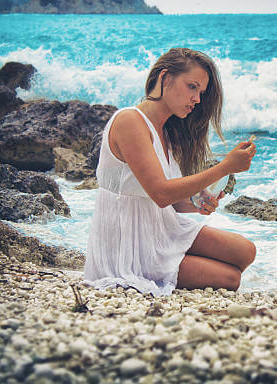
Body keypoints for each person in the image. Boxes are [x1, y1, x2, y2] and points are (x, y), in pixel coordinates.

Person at [84, 48, 256, 296]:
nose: (197, 99)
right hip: (128, 246)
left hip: (161, 228)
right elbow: (161, 194)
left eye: (201, 92)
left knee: (245, 251)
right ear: (165, 78)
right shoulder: (129, 120)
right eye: (192, 87)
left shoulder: (167, 132)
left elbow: (170, 202)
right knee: (230, 278)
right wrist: (225, 166)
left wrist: (197, 203)